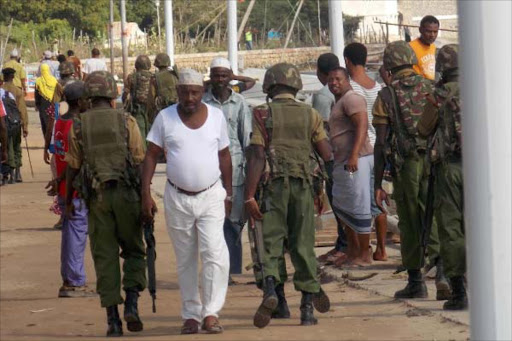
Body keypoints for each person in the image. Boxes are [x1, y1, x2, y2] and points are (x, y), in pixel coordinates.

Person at [142, 68, 232, 335]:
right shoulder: (165, 118)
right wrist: (145, 193)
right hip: (177, 197)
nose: (190, 98)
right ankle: (191, 315)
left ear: (202, 92)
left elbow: (225, 156)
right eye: (185, 92)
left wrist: (228, 193)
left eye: (194, 92)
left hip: (211, 195)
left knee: (214, 254)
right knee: (185, 258)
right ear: (177, 92)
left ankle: (211, 313)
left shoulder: (216, 117)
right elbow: (150, 155)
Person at [245, 63, 332, 328]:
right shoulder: (310, 114)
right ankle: (306, 310)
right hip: (303, 187)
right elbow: (325, 154)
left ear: (270, 86)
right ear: (296, 86)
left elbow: (258, 155)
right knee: (302, 245)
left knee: (270, 243)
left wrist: (249, 196)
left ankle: (272, 291)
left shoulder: (262, 113)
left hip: (273, 188)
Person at [65, 71, 146, 337]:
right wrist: (147, 199)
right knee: (134, 251)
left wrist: (68, 202)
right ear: (112, 95)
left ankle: (113, 320)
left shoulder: (78, 125)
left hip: (97, 200)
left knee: (105, 256)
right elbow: (139, 161)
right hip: (128, 197)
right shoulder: (127, 121)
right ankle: (132, 304)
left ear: (89, 96)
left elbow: (73, 168)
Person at [372, 41, 449, 300]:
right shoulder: (431, 87)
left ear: (389, 66)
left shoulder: (385, 96)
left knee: (409, 221)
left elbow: (381, 143)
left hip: (406, 167)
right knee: (435, 215)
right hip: (434, 163)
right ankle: (442, 273)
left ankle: (416, 281)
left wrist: (377, 184)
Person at [418, 44, 467, 310]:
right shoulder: (484, 88)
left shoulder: (439, 94)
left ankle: (459, 292)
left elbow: (423, 129)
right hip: (482, 169)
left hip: (451, 170)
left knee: (451, 229)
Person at [202, 57, 252, 285]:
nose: (220, 80)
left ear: (230, 76)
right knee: (212, 225)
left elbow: (246, 140)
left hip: (237, 172)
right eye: (216, 75)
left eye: (224, 75)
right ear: (210, 78)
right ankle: (217, 272)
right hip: (209, 173)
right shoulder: (202, 104)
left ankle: (233, 272)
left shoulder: (240, 103)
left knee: (233, 223)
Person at [45, 81, 94, 298]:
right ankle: (74, 281)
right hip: (76, 187)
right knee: (76, 233)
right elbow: (76, 160)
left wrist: (56, 180)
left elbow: (58, 155)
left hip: (64, 186)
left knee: (69, 233)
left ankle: (69, 278)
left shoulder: (60, 123)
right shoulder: (78, 125)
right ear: (80, 102)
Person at [343, 42, 388, 261]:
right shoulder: (376, 86)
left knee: (358, 201)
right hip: (378, 149)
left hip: (360, 150)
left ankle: (362, 250)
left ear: (347, 61)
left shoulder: (351, 87)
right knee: (377, 198)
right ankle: (381, 248)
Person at [327, 67, 374, 266]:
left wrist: (354, 155)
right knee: (345, 205)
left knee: (359, 205)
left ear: (346, 79)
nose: (334, 83)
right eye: (330, 80)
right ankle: (354, 251)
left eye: (337, 79)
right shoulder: (340, 101)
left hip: (356, 160)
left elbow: (362, 124)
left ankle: (364, 253)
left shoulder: (351, 99)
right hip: (344, 161)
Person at [312, 53, 349, 266]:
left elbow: (318, 130)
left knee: (337, 200)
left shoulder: (322, 95)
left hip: (331, 155)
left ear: (320, 72)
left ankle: (345, 244)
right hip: (346, 153)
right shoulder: (347, 90)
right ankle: (344, 242)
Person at [44, 61, 77, 165]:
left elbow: (53, 115)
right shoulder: (80, 85)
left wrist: (46, 147)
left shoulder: (58, 85)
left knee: (60, 161)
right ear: (72, 72)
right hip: (78, 130)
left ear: (61, 73)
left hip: (62, 130)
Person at [1, 68, 28, 183]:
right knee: (17, 146)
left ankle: (8, 173)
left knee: (6, 147)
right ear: (13, 77)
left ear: (3, 77)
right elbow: (22, 109)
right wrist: (25, 126)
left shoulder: (1, 90)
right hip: (16, 123)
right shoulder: (17, 91)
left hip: (4, 123)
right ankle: (17, 173)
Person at [123, 55, 153, 141]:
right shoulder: (154, 77)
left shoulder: (131, 77)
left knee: (140, 137)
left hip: (137, 110)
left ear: (136, 65)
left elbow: (125, 95)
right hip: (151, 111)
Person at [409, 15, 439, 80]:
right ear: (420, 30)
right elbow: (384, 69)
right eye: (429, 31)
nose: (432, 35)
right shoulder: (409, 48)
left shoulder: (433, 48)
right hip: (417, 89)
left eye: (435, 32)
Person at [35, 64, 57, 137]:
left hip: (43, 104)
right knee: (52, 122)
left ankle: (47, 140)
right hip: (52, 103)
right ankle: (53, 140)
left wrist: (37, 105)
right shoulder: (54, 80)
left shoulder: (38, 81)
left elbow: (37, 94)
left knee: (44, 123)